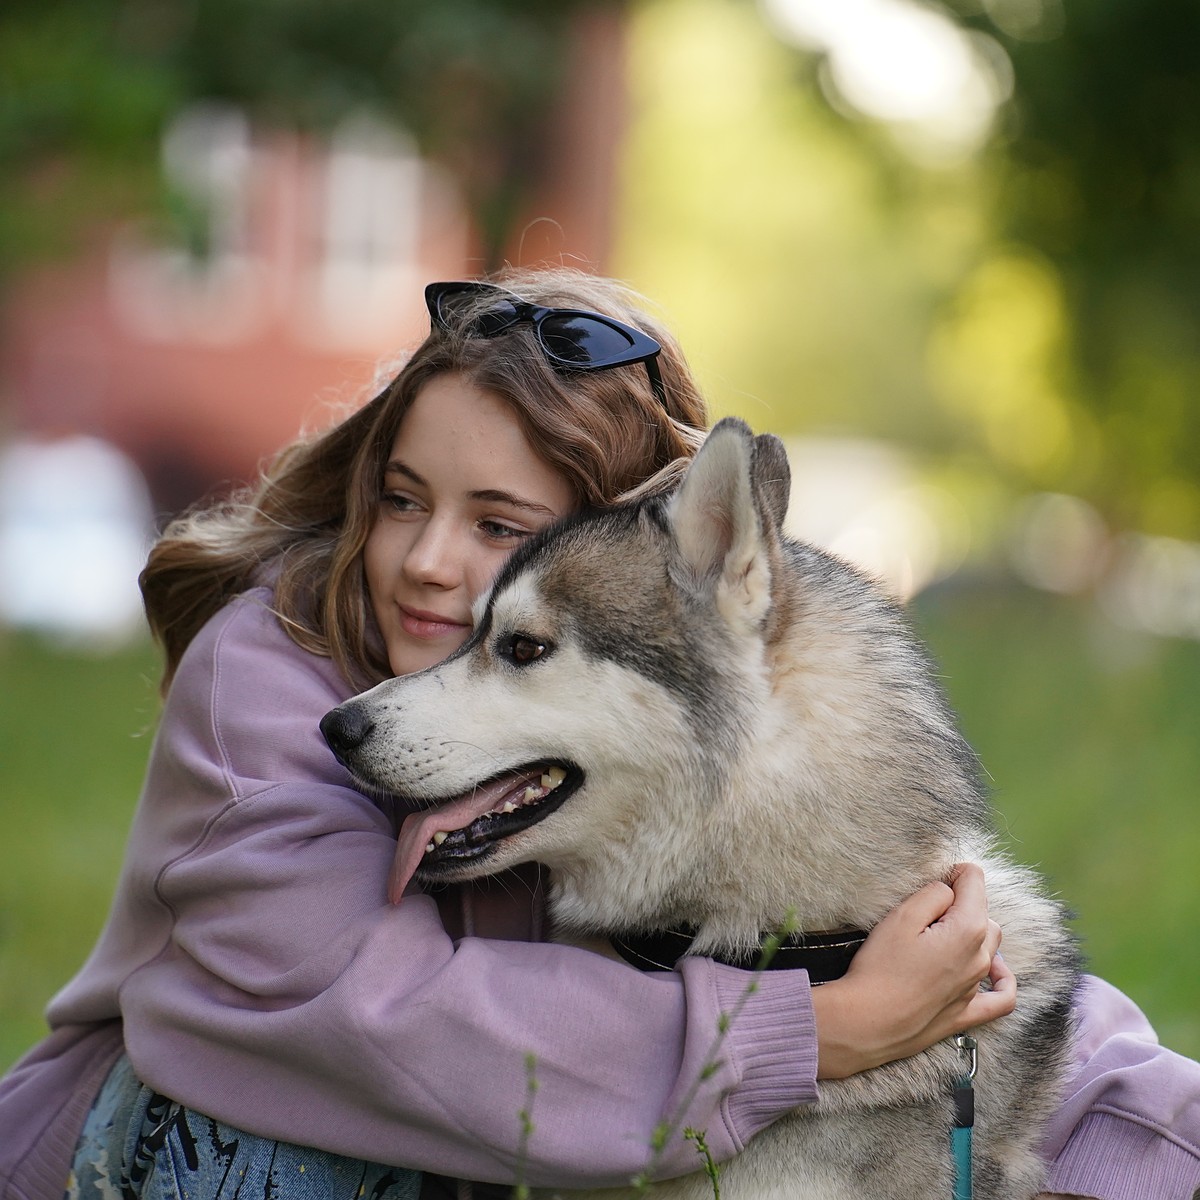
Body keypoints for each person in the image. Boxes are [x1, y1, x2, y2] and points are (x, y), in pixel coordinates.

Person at [1, 268, 1197, 1200]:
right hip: (173, 1151)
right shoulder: (271, 673)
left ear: (609, 551)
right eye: (402, 499)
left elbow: (992, 997)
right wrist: (812, 1035)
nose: (425, 560)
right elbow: (373, 1019)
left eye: (497, 525)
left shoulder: (653, 767)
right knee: (284, 1131)